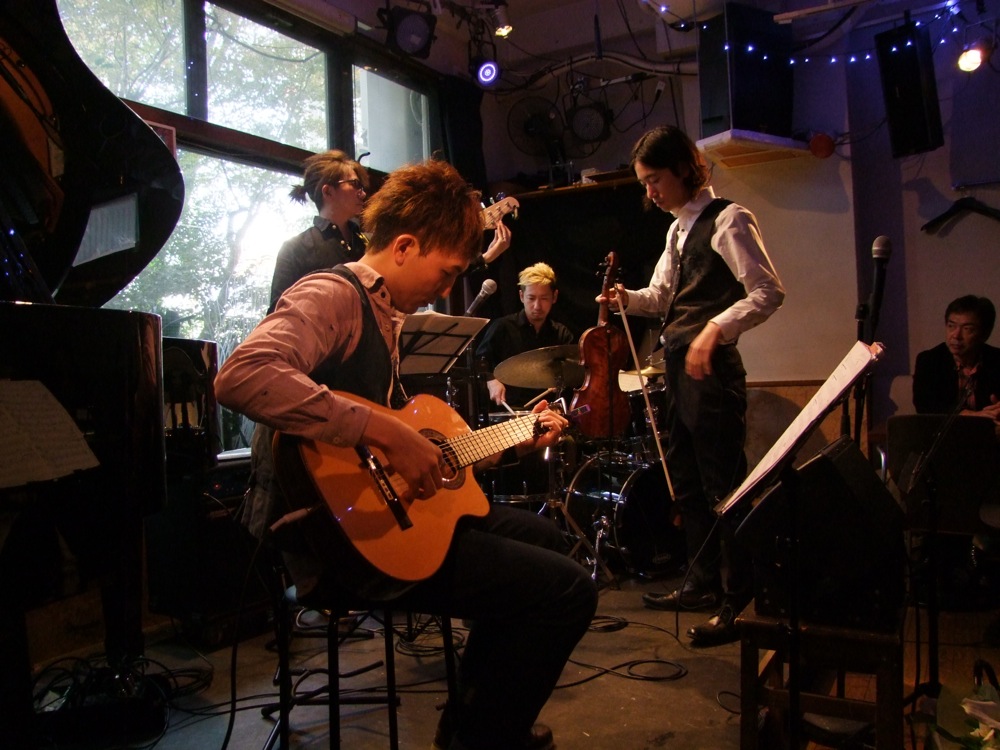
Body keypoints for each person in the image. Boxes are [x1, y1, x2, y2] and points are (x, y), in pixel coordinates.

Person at [215, 159, 598, 750]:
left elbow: (420, 450)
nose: (445, 289)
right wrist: (387, 434)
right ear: (403, 247)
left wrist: (510, 440)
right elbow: (243, 375)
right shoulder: (332, 294)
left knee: (549, 542)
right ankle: (483, 738)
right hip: (333, 541)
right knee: (567, 590)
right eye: (446, 272)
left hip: (378, 516)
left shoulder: (387, 316)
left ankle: (473, 723)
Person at [600, 125, 785, 647]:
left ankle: (738, 602)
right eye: (644, 183)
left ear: (684, 168)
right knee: (686, 484)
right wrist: (627, 299)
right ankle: (702, 584)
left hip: (713, 372)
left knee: (724, 488)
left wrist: (715, 329)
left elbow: (768, 291)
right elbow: (663, 297)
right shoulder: (676, 231)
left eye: (655, 179)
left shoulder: (729, 218)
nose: (650, 192)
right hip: (680, 368)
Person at [269, 149, 512, 314]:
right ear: (328, 191)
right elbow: (278, 314)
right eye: (354, 184)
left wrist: (484, 257)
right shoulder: (296, 249)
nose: (363, 192)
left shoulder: (368, 241)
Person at [475, 262, 576, 409]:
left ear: (554, 297)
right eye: (531, 298)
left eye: (544, 298)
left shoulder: (562, 334)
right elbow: (480, 360)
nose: (537, 306)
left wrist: (562, 382)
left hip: (548, 411)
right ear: (521, 296)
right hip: (509, 411)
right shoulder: (502, 327)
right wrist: (491, 380)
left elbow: (573, 371)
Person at [913, 295, 1000, 422]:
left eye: (967, 329)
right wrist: (971, 416)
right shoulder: (929, 361)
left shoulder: (997, 360)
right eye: (951, 326)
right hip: (946, 433)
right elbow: (925, 406)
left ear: (985, 334)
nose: (956, 335)